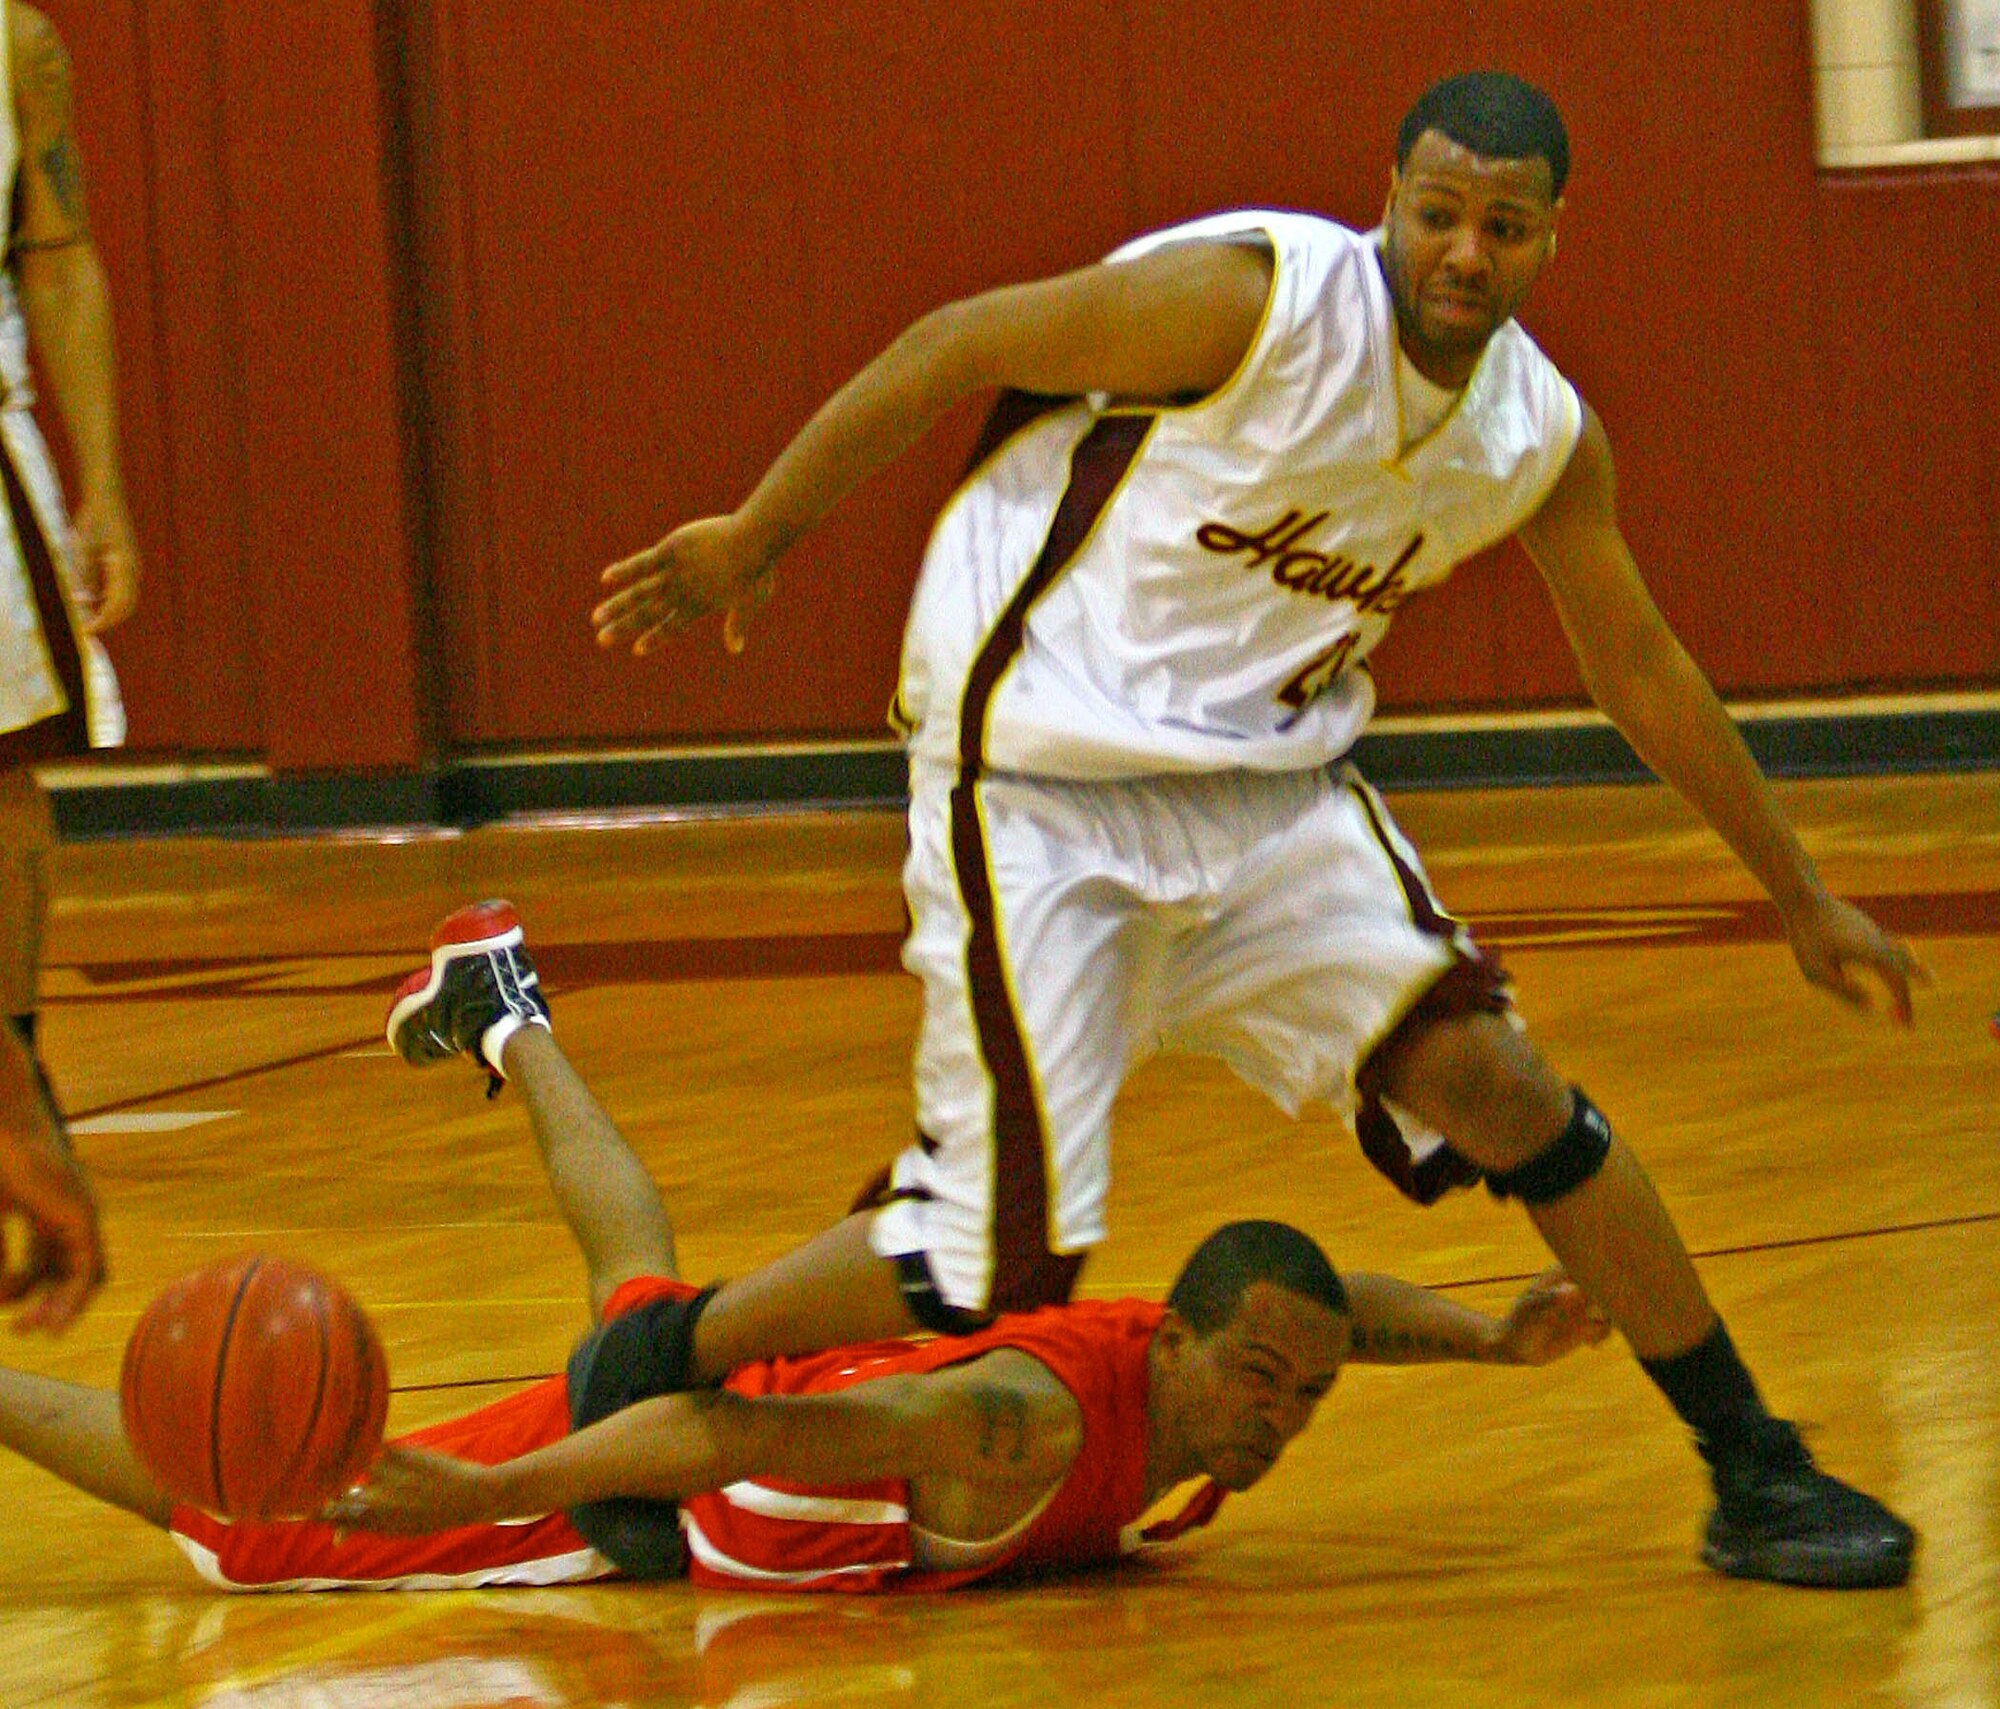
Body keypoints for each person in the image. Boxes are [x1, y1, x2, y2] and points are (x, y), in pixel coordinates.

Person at [588, 71, 1925, 1589]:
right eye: (1437, 215)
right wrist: (756, 532)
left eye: (1505, 226)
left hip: (1268, 794)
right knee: (997, 1260)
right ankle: (666, 1349)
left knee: (1498, 1081)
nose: (1465, 254)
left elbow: (1640, 670)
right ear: (1391, 202)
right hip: (1041, 777)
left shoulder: (1537, 435)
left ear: (1556, 237)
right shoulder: (1253, 303)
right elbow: (954, 342)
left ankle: (1754, 1466)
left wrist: (1802, 893)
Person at [0, 901, 1609, 1593]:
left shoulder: (1198, 1350)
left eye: (1295, 1397)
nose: (1277, 1414)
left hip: (780, 1375)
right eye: (1260, 1382)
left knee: (640, 1287)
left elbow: (1329, 1311)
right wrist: (496, 1489)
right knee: (249, 1507)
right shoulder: (1021, 1419)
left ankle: (503, 1008)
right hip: (673, 1475)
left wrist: (1486, 1336)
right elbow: (726, 1426)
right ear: (1181, 1343)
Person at [0, 3, 137, 1332]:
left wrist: (102, 485)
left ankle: (19, 1073)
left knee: (6, 776)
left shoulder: (16, 49)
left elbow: (60, 258)